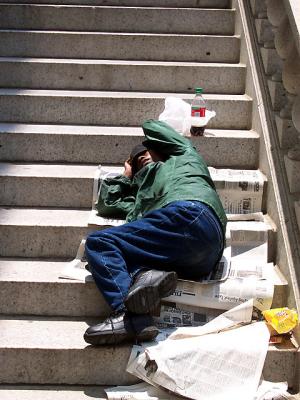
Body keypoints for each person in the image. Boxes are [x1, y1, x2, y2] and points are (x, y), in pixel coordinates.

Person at [84, 120, 227, 345]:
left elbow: (152, 125)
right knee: (124, 257)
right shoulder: (140, 197)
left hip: (191, 214)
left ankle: (128, 315)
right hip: (201, 260)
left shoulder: (184, 155)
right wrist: (127, 174)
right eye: (138, 161)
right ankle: (145, 282)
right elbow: (108, 203)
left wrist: (152, 147)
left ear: (161, 149)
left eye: (146, 154)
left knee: (99, 243)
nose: (144, 159)